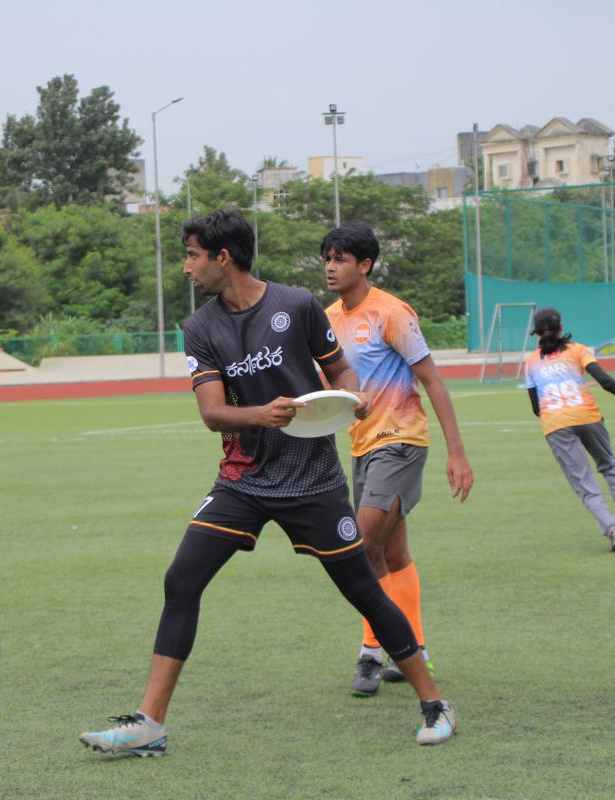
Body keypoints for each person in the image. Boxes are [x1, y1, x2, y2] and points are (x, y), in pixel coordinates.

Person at [79, 210, 456, 756]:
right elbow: (212, 413)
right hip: (242, 479)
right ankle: (150, 723)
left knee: (362, 589)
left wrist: (355, 396)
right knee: (181, 579)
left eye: (191, 255)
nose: (186, 267)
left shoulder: (296, 305)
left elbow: (342, 371)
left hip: (313, 479)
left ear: (222, 257)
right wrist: (262, 415)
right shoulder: (199, 327)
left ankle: (434, 702)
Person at [320, 222, 473, 697]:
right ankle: (417, 649)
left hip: (401, 440)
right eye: (326, 257)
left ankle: (371, 653)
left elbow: (432, 380)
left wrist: (457, 452)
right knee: (392, 553)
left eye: (341, 258)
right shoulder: (327, 318)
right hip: (362, 445)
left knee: (361, 546)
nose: (330, 266)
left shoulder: (391, 312)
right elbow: (331, 388)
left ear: (365, 265)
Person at [523, 309, 615, 552]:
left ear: (536, 333)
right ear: (561, 327)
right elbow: (605, 381)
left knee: (584, 483)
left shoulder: (531, 362)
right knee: (610, 464)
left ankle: (613, 531)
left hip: (555, 424)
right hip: (588, 415)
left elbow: (535, 408)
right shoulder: (578, 350)